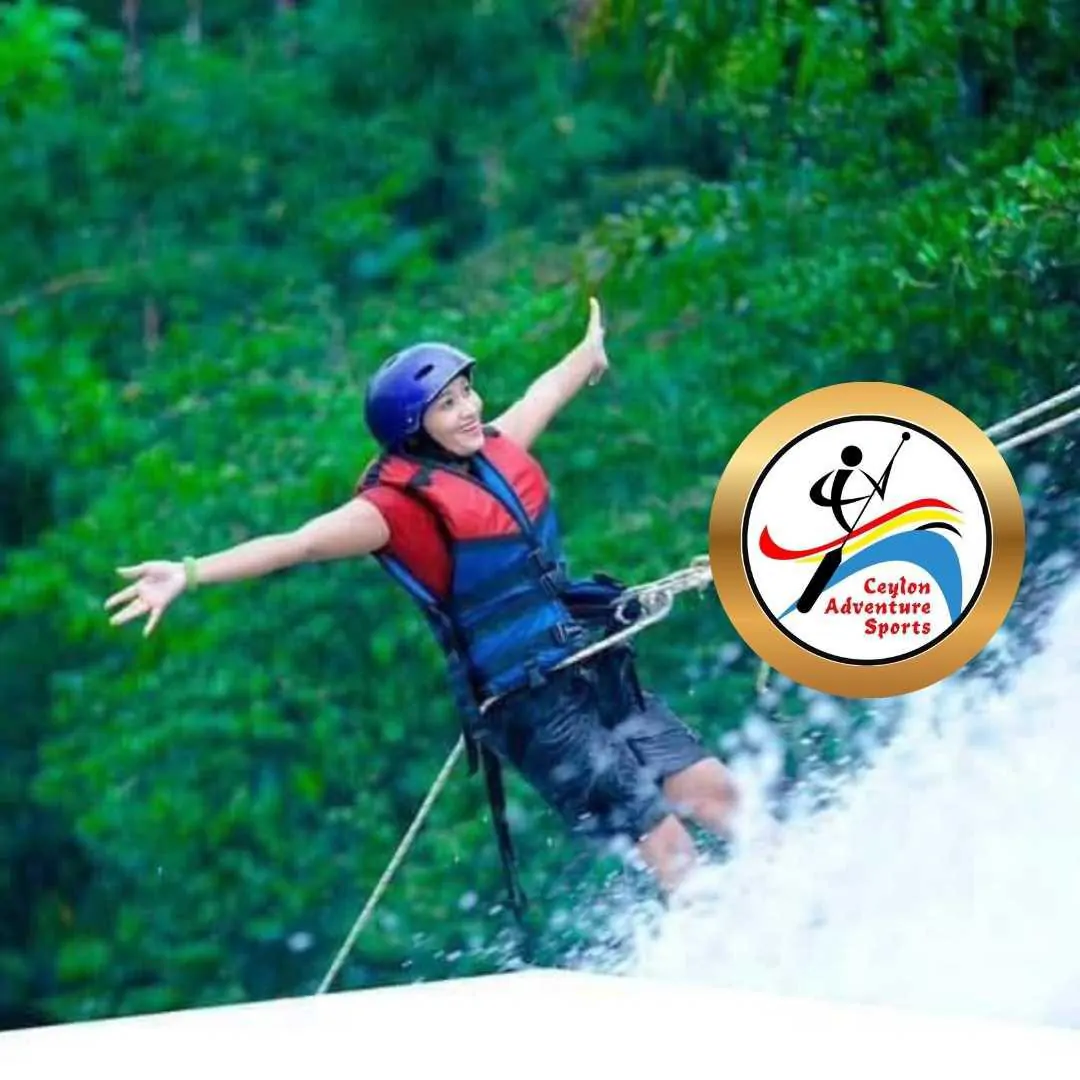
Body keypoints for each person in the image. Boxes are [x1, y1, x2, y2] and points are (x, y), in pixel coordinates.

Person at [105, 297, 738, 902]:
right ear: (414, 430)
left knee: (717, 792)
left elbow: (542, 394)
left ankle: (783, 904)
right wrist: (189, 573)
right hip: (531, 706)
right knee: (666, 839)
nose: (468, 410)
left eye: (467, 393)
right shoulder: (391, 512)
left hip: (587, 667)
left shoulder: (493, 451)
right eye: (447, 405)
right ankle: (705, 941)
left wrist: (588, 351)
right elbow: (296, 544)